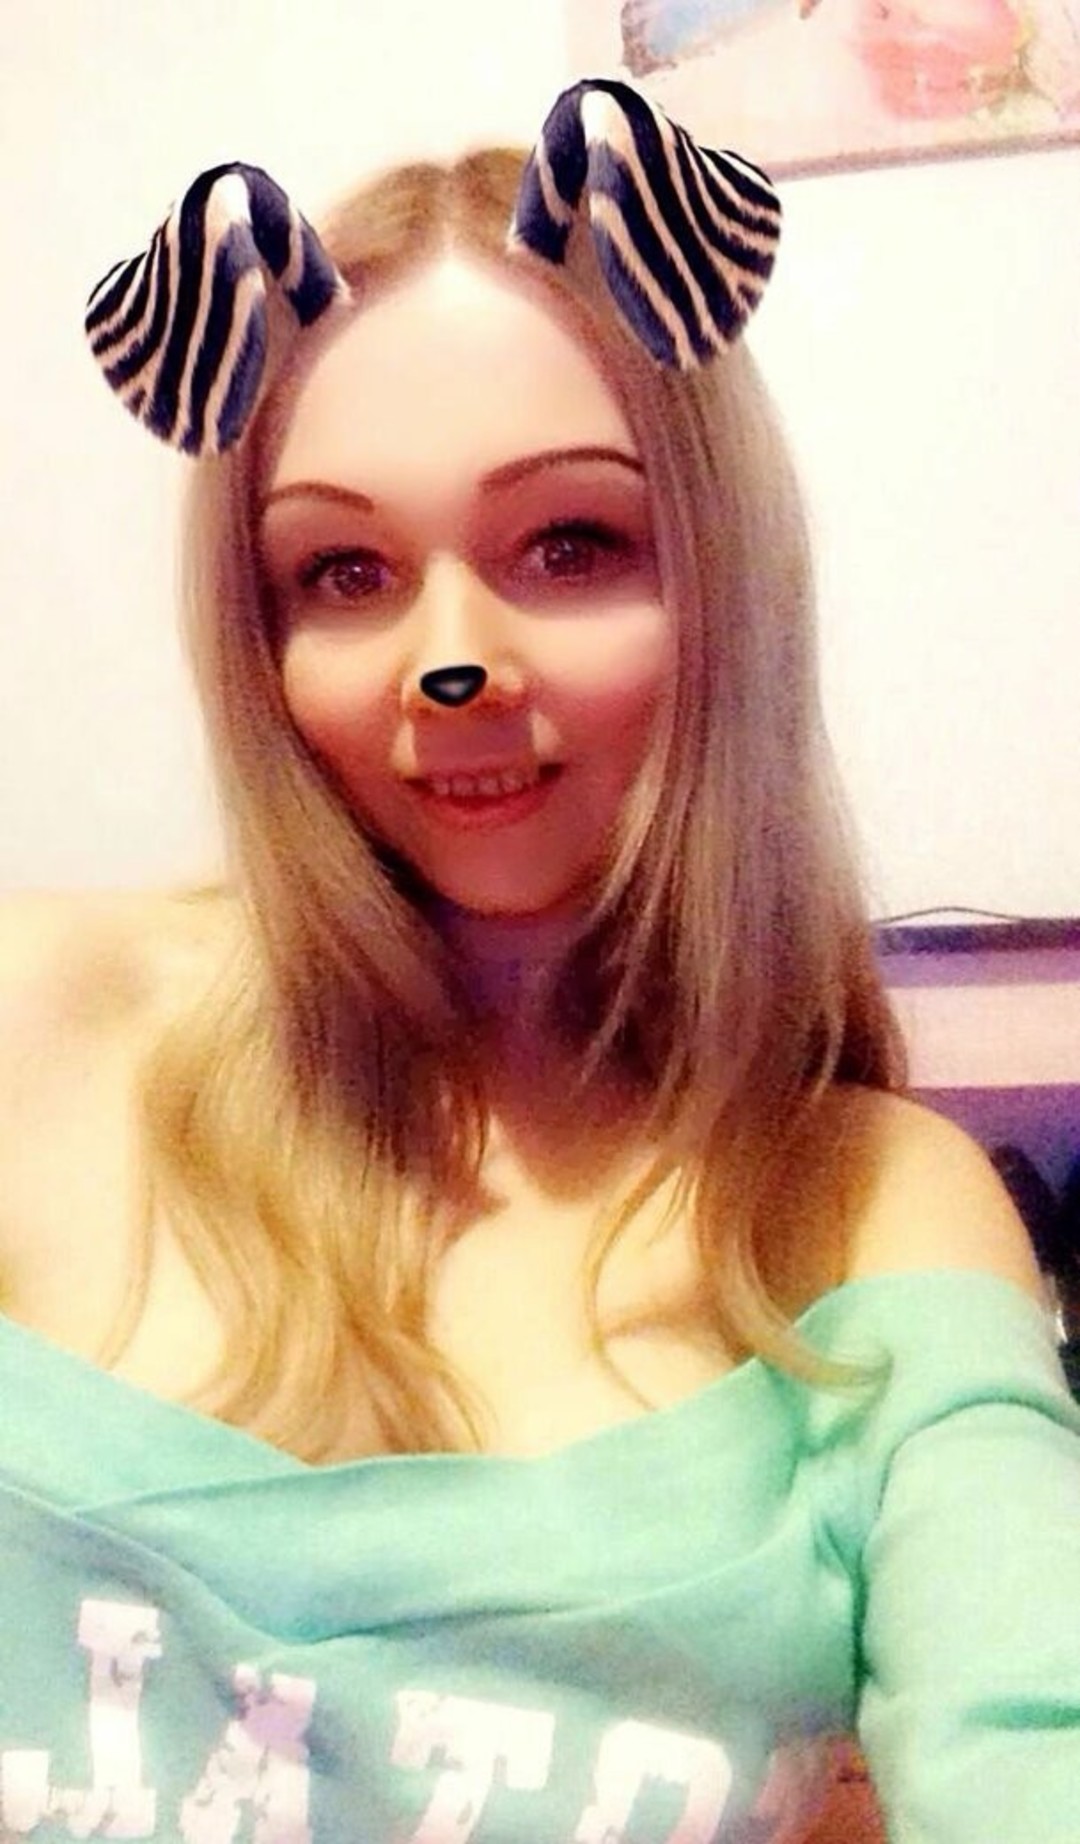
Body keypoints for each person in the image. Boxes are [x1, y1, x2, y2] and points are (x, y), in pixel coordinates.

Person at [1, 77, 1077, 1844]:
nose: (454, 661)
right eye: (344, 571)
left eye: (569, 544)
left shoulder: (868, 1210)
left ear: (719, 575)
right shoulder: (36, 1024)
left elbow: (1034, 1726)